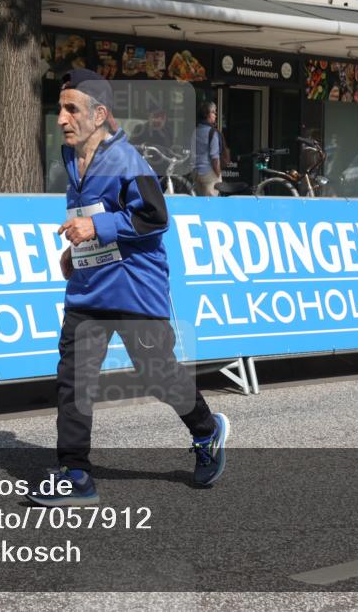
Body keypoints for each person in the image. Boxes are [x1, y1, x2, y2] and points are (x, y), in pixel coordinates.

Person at [27, 69, 229, 507]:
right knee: (74, 380)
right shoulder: (70, 155)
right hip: (89, 289)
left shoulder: (129, 163)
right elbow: (88, 210)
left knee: (157, 374)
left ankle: (205, 429)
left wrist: (95, 226)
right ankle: (75, 472)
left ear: (99, 115)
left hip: (135, 289)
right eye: (59, 108)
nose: (60, 118)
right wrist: (75, 252)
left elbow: (155, 219)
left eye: (71, 109)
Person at [193, 101, 225, 196]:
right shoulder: (212, 132)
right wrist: (218, 174)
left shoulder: (195, 131)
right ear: (207, 114)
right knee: (212, 204)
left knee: (200, 203)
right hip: (209, 173)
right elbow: (214, 157)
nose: (215, 115)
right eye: (213, 112)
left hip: (196, 173)